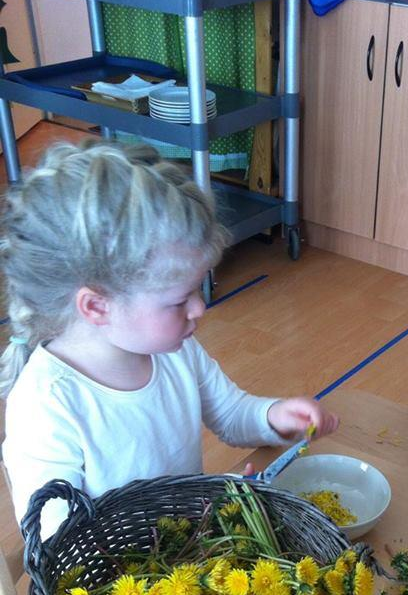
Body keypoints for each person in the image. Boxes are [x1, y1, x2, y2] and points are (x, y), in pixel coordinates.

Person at [1, 140, 339, 537]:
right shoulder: (46, 407)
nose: (199, 309)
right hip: (116, 585)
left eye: (198, 290)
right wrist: (201, 519)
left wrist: (275, 418)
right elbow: (58, 548)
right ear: (96, 307)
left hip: (189, 550)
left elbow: (230, 415)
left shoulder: (172, 351)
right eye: (179, 300)